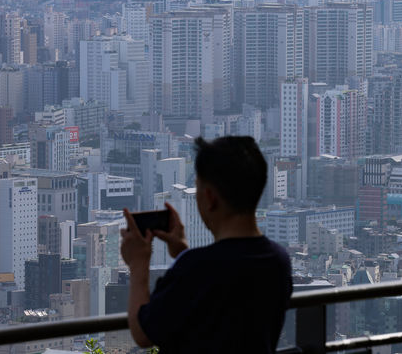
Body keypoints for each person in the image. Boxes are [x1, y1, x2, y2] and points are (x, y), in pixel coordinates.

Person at [120, 136, 293, 353]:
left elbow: (143, 334)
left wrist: (138, 263)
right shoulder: (278, 260)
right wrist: (182, 253)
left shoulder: (196, 268)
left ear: (210, 197)